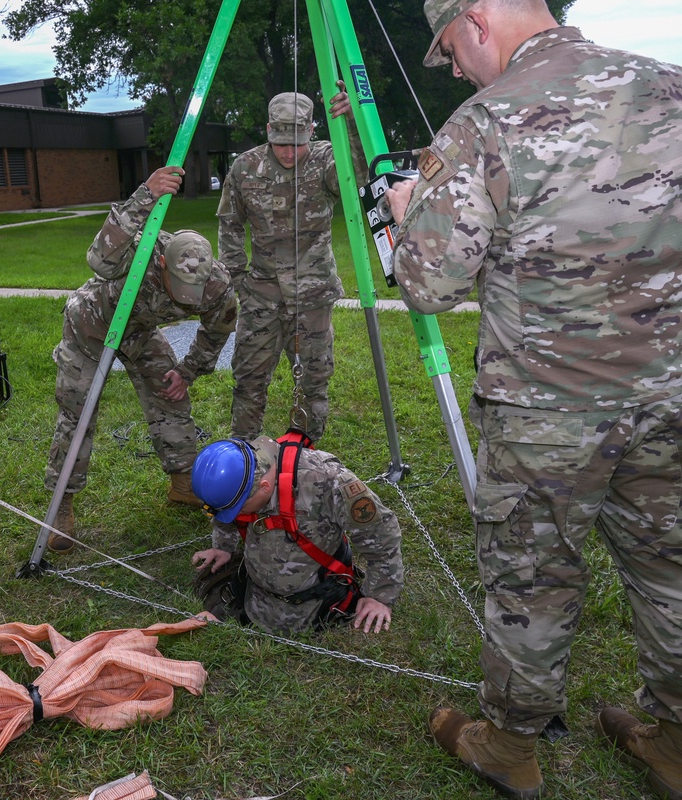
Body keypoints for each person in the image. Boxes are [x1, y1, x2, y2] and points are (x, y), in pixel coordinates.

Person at [385, 2, 682, 798]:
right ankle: (677, 743)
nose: (454, 68)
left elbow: (429, 284)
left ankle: (510, 748)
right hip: (671, 395)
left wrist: (406, 213)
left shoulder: (486, 122)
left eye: (449, 50)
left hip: (547, 412)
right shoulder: (672, 89)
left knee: (532, 577)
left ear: (476, 18)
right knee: (672, 568)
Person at [45, 165, 237, 553]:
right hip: (93, 328)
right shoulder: (141, 250)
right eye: (178, 287)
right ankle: (61, 504)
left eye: (193, 291)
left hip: (140, 332)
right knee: (78, 412)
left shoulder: (215, 284)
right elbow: (98, 258)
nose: (186, 297)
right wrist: (145, 194)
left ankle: (183, 483)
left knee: (171, 391)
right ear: (163, 263)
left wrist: (188, 370)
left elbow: (218, 329)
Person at [217, 83, 356, 444]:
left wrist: (352, 125)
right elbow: (230, 223)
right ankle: (244, 450)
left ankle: (307, 453)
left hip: (313, 294)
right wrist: (237, 280)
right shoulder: (245, 167)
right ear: (267, 131)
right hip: (261, 294)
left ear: (312, 130)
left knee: (314, 376)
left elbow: (358, 180)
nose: (290, 152)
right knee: (249, 375)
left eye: (297, 143)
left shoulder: (327, 158)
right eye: (281, 143)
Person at [189, 434, 403, 635]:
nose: (238, 516)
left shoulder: (326, 481)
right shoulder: (241, 468)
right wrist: (223, 547)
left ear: (264, 487)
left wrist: (379, 596)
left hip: (318, 604)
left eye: (239, 509)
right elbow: (223, 509)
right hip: (255, 594)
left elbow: (381, 532)